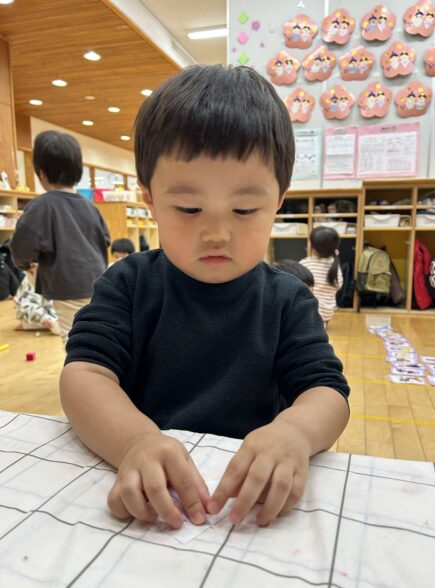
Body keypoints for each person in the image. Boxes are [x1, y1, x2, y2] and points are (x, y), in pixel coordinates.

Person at [60, 65, 350, 531]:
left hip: (247, 504)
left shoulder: (288, 300)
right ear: (149, 198)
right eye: (189, 208)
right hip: (151, 493)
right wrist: (134, 441)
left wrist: (294, 432)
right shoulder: (127, 284)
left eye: (244, 209)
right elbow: (85, 375)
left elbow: (326, 391)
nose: (216, 233)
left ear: (278, 200)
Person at [10, 130, 110, 345]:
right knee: (97, 333)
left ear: (41, 173)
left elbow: (21, 246)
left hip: (68, 285)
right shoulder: (89, 207)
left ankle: (87, 366)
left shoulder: (41, 206)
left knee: (75, 339)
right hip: (100, 281)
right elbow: (105, 239)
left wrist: (25, 264)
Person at [300, 227, 343, 326]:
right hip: (328, 311)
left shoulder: (305, 263)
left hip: (309, 311)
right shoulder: (334, 264)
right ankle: (322, 325)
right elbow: (339, 284)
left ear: (314, 248)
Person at [13, 262, 60, 335]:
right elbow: (25, 304)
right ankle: (28, 324)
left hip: (53, 310)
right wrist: (43, 317)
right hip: (35, 311)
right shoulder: (35, 275)